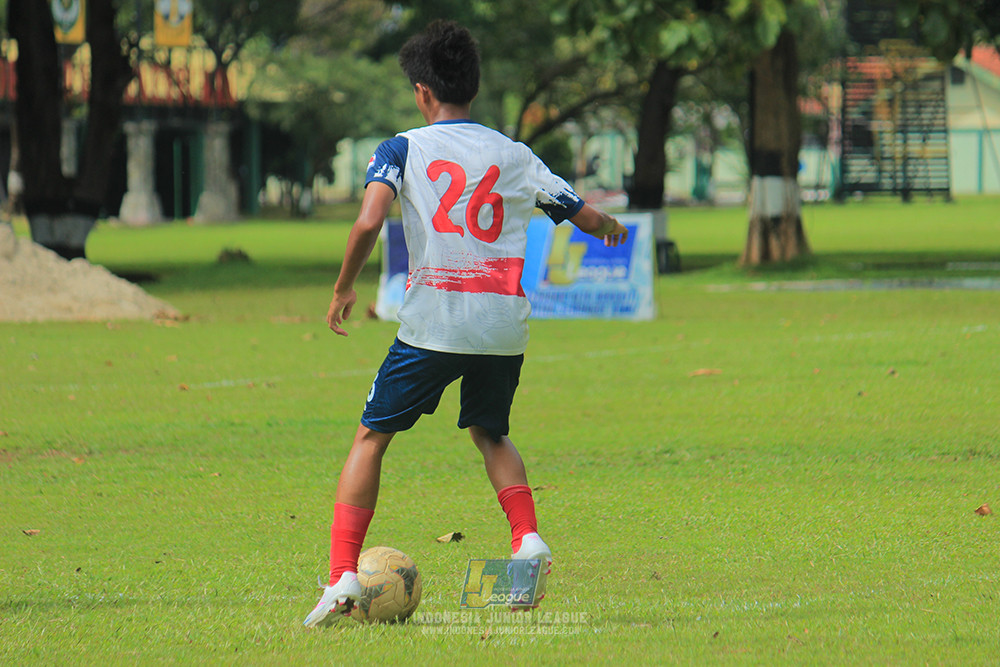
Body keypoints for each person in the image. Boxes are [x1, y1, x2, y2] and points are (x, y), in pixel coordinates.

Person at [304, 19, 628, 628]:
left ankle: (340, 577)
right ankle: (526, 541)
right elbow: (583, 215)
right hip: (502, 328)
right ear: (473, 88)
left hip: (433, 325)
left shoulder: (402, 148)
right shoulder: (515, 154)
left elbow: (370, 220)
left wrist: (345, 285)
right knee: (490, 434)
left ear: (423, 92)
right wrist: (611, 228)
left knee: (371, 438)